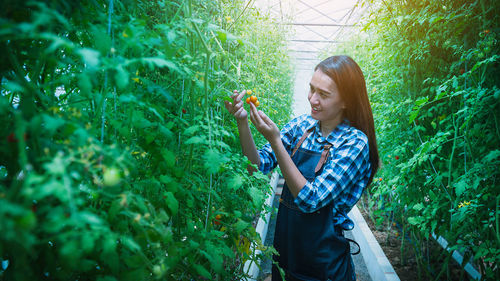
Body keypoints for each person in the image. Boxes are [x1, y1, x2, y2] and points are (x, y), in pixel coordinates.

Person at [224, 55, 379, 281]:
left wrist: (277, 142)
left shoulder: (354, 143)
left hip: (323, 267)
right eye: (311, 89)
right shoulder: (301, 125)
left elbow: (310, 200)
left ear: (346, 101)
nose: (312, 99)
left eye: (323, 95)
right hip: (285, 257)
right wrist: (242, 122)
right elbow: (257, 167)